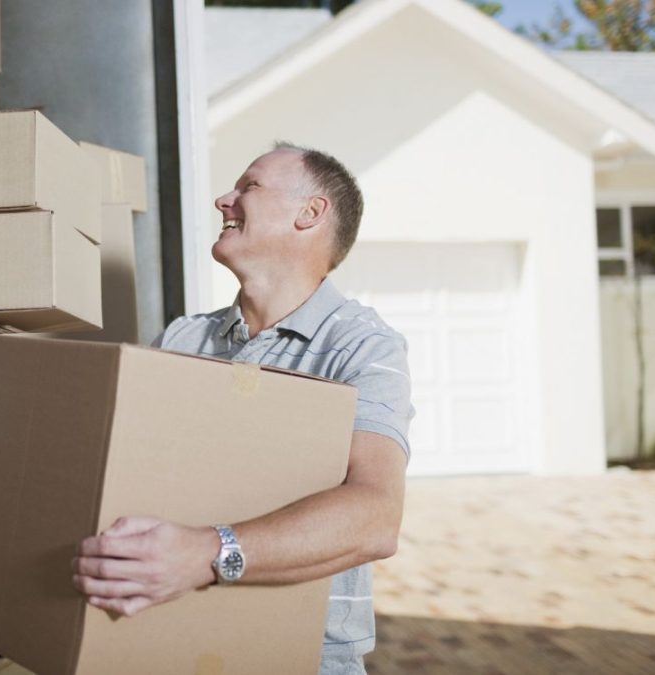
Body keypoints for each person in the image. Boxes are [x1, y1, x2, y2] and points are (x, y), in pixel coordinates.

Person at [71, 144, 414, 674]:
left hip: (300, 654)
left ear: (310, 213)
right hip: (171, 635)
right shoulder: (184, 337)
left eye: (248, 187)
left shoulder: (360, 347)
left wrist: (207, 553)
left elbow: (375, 517)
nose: (222, 200)